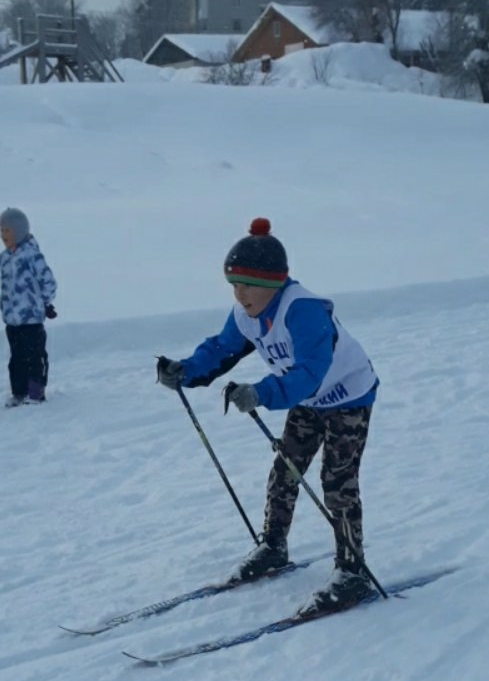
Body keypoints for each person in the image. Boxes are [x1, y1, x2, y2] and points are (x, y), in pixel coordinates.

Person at [156, 218, 378, 608]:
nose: (239, 294)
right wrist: (186, 371)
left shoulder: (302, 310)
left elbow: (310, 373)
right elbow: (222, 349)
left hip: (348, 397)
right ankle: (274, 546)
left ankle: (352, 571)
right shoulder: (245, 313)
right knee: (284, 472)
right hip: (309, 402)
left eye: (246, 285)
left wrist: (261, 392)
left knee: (337, 483)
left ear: (271, 283)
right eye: (233, 285)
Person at [0, 208, 57, 406]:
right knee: (16, 358)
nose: (3, 235)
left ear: (20, 231)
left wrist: (45, 303)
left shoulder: (32, 256)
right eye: (1, 230)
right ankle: (19, 392)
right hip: (12, 320)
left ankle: (35, 392)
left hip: (31, 318)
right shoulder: (4, 258)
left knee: (34, 356)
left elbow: (48, 282)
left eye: (8, 230)